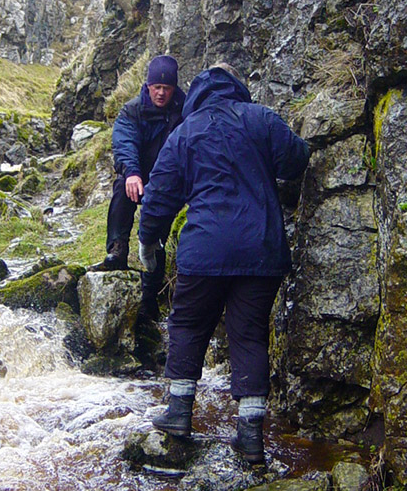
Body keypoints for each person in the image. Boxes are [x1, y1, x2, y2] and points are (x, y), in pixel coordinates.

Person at [137, 63, 310, 464]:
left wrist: (147, 243)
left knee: (188, 324)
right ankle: (250, 436)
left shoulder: (185, 132)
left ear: (196, 91)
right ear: (237, 86)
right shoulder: (261, 118)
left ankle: (179, 413)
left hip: (204, 251)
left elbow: (159, 195)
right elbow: (296, 160)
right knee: (249, 334)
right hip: (261, 249)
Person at [103, 54, 186, 319]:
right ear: (148, 86)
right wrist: (132, 173)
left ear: (174, 88)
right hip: (138, 175)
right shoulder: (132, 110)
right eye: (156, 87)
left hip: (168, 184)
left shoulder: (184, 112)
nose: (161, 93)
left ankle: (152, 288)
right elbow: (124, 142)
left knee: (158, 232)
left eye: (166, 88)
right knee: (121, 190)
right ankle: (117, 250)